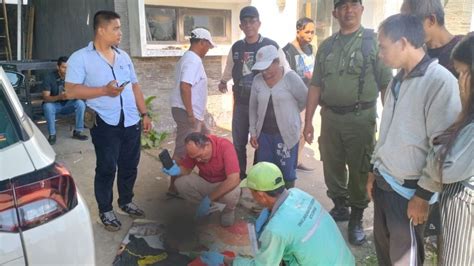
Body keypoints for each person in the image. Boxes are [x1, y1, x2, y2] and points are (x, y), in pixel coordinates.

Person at [366, 14, 461, 265]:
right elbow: (386, 131)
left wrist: (422, 196)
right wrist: (373, 170)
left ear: (403, 43)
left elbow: (443, 149)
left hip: (409, 195)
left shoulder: (439, 82)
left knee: (404, 260)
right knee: (385, 255)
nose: (380, 54)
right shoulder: (398, 79)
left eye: (383, 47)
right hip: (385, 184)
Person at [303, 0, 393, 245]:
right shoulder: (327, 46)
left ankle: (356, 216)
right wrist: (308, 121)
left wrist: (390, 124)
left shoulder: (373, 43)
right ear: (335, 13)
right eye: (343, 5)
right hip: (330, 118)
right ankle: (340, 206)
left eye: (354, 4)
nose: (349, 10)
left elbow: (386, 85)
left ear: (362, 9)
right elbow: (316, 85)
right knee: (331, 164)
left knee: (360, 168)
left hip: (360, 119)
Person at [65, 10, 152, 231]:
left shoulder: (123, 57)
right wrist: (103, 91)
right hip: (105, 123)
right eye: (116, 28)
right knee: (106, 168)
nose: (120, 33)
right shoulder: (80, 58)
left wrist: (144, 114)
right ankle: (105, 209)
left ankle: (125, 201)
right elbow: (71, 91)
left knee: (129, 165)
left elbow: (135, 86)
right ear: (101, 30)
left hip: (131, 120)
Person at [199, 162, 355, 265]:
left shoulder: (276, 229)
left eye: (251, 191)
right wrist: (270, 213)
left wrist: (227, 260)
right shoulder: (298, 193)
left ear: (260, 194)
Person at [401, 0, 464, 237]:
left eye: (411, 24)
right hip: (418, 160)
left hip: (451, 161)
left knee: (449, 238)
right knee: (420, 234)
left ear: (431, 20)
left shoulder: (464, 52)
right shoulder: (418, 54)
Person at [421, 34, 474, 265]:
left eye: (462, 73)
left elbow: (444, 168)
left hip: (464, 207)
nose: (459, 81)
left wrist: (462, 112)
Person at [218, 6, 288, 179]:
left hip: (263, 105)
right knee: (238, 143)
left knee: (261, 143)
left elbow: (285, 68)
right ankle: (239, 177)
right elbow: (230, 67)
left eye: (252, 21)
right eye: (245, 22)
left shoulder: (270, 45)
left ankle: (258, 178)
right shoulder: (236, 47)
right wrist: (223, 80)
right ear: (240, 26)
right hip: (241, 102)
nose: (249, 25)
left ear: (259, 23)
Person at [249, 45, 307, 189]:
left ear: (277, 62)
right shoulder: (257, 80)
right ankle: (269, 203)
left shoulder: (290, 78)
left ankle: (287, 202)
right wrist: (253, 132)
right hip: (265, 135)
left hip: (286, 135)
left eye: (267, 67)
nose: (264, 72)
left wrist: (291, 114)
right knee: (266, 171)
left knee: (287, 172)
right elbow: (253, 108)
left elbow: (304, 100)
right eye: (261, 69)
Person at [168, 28, 215, 198]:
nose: (208, 50)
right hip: (188, 113)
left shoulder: (188, 59)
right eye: (208, 46)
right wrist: (190, 115)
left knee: (208, 140)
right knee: (183, 149)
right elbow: (185, 86)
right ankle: (174, 187)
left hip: (193, 113)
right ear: (202, 42)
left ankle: (208, 178)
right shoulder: (193, 60)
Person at [162, 132, 241, 227]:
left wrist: (208, 199)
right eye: (195, 157)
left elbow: (234, 179)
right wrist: (177, 170)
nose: (198, 160)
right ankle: (200, 208)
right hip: (205, 182)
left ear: (207, 145)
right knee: (180, 183)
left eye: (199, 156)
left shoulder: (225, 146)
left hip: (222, 183)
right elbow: (187, 170)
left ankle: (227, 211)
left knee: (231, 194)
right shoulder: (195, 151)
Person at [282, 17, 316, 171]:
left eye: (313, 32)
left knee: (304, 131)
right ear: (298, 31)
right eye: (307, 32)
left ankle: (297, 161)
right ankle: (287, 162)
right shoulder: (287, 52)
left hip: (309, 97)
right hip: (293, 100)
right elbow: (285, 77)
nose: (310, 35)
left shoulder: (310, 49)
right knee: (293, 132)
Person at [401, 0, 463, 77]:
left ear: (431, 20)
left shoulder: (465, 49)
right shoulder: (416, 54)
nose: (406, 31)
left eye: (411, 25)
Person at [42, 56, 88, 145]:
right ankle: (52, 135)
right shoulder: (49, 77)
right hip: (54, 105)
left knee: (80, 103)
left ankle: (78, 131)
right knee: (47, 106)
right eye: (64, 67)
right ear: (58, 67)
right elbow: (46, 98)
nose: (67, 70)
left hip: (68, 104)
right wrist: (60, 97)